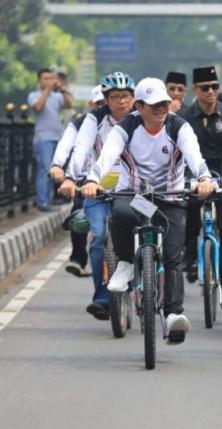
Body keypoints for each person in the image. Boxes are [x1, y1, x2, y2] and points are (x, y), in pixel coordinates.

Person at [81, 77, 215, 345]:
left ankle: (173, 314)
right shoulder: (126, 128)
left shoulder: (179, 127)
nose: (161, 109)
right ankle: (125, 264)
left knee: (174, 257)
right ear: (139, 106)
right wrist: (93, 180)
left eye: (164, 103)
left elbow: (194, 155)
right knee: (120, 213)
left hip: (170, 198)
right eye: (154, 105)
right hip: (135, 196)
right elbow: (106, 156)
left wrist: (204, 178)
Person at [59, 72, 136, 321]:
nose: (122, 101)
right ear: (106, 100)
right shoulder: (95, 119)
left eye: (126, 96)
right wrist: (70, 178)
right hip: (97, 188)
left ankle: (148, 281)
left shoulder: (142, 118)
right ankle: (102, 297)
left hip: (135, 191)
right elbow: (81, 147)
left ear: (134, 98)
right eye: (115, 97)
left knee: (150, 229)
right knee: (99, 236)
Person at [178, 66, 222, 309]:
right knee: (188, 214)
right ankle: (191, 257)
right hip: (192, 177)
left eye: (215, 87)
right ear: (195, 90)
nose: (211, 91)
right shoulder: (183, 117)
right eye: (205, 88)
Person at [50, 85, 105, 279]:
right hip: (86, 181)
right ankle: (78, 259)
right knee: (79, 215)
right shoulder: (82, 123)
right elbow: (66, 145)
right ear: (91, 104)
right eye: (100, 103)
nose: (105, 106)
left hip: (121, 184)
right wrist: (58, 166)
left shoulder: (129, 121)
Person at [28, 68, 74, 211]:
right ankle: (42, 202)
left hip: (58, 138)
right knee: (44, 170)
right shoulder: (34, 95)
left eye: (51, 78)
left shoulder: (57, 96)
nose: (49, 81)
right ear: (39, 81)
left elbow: (69, 105)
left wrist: (63, 90)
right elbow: (38, 107)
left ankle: (50, 199)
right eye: (46, 79)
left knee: (54, 170)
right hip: (43, 138)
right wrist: (48, 89)